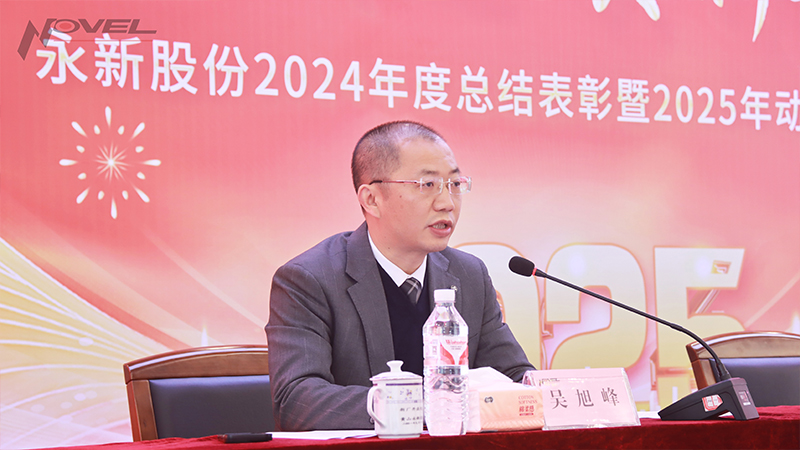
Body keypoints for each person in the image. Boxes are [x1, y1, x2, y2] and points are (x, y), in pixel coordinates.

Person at [265, 121, 534, 431]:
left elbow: (515, 378)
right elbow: (296, 401)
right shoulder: (309, 279)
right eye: (427, 185)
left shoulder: (469, 274)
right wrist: (426, 405)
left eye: (454, 184)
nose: (447, 203)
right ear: (372, 199)